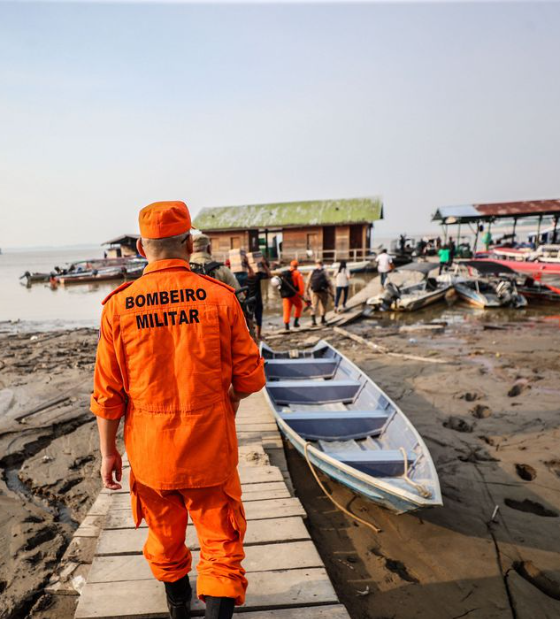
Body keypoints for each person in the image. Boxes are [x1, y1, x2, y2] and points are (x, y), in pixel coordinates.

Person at [91, 201, 265, 620]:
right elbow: (249, 375)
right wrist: (229, 405)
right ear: (188, 243)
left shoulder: (118, 306)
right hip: (210, 447)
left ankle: (177, 608)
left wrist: (108, 453)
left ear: (140, 247)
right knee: (221, 542)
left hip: (151, 453)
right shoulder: (220, 298)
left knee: (165, 538)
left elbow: (107, 391)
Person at [246, 257, 271, 340]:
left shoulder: (244, 276)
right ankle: (256, 335)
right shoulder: (256, 275)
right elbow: (269, 275)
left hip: (250, 299)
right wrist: (264, 265)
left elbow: (269, 275)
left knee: (251, 317)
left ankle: (254, 335)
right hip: (254, 299)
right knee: (255, 316)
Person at [281, 260, 305, 330]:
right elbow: (301, 286)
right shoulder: (297, 273)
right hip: (295, 295)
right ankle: (295, 322)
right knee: (299, 306)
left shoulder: (284, 273)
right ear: (297, 266)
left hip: (285, 295)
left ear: (290, 265)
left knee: (286, 309)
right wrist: (301, 295)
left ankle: (286, 325)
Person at [307, 260, 333, 326]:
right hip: (324, 291)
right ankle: (323, 320)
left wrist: (306, 290)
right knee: (323, 305)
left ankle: (313, 322)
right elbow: (329, 282)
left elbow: (308, 281)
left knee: (313, 306)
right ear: (322, 264)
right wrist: (332, 292)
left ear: (316, 264)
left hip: (314, 291)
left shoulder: (312, 271)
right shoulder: (325, 271)